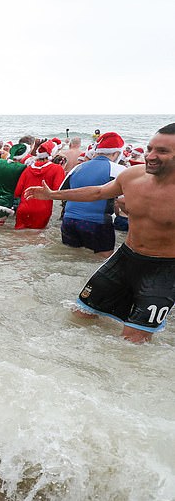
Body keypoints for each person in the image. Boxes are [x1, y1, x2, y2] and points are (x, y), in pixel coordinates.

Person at [25, 123, 175, 342]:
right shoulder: (132, 176)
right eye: (149, 148)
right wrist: (54, 195)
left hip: (163, 270)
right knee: (81, 315)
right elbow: (99, 192)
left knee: (133, 341)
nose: (150, 156)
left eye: (162, 151)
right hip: (125, 258)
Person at [61, 132, 127, 258]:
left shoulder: (78, 167)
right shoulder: (119, 170)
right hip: (97, 222)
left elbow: (63, 192)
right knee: (101, 261)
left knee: (72, 257)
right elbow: (123, 200)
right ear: (117, 153)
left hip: (69, 221)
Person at [14, 140, 66, 229]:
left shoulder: (28, 169)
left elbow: (17, 192)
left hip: (24, 207)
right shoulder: (57, 169)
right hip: (42, 209)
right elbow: (57, 191)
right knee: (36, 238)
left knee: (18, 236)